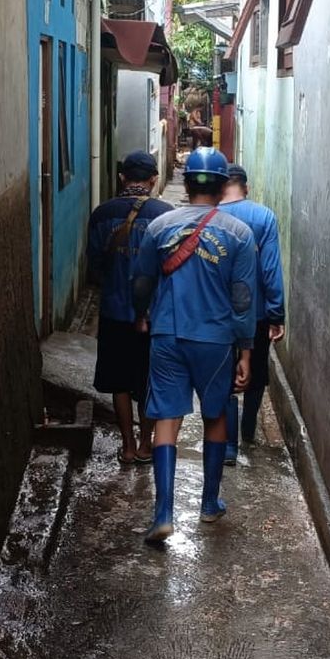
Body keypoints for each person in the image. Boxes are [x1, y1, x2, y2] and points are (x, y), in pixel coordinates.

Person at [131, 148, 258, 542]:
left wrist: (142, 313)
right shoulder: (239, 235)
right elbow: (242, 301)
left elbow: (141, 282)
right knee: (215, 416)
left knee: (167, 419)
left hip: (168, 334)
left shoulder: (160, 227)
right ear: (222, 188)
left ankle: (164, 512)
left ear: (186, 184)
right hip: (215, 341)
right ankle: (208, 504)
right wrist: (246, 351)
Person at [86, 151, 174, 464]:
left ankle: (126, 445)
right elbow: (172, 268)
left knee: (120, 382)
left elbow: (94, 267)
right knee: (150, 379)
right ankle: (145, 444)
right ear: (153, 180)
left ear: (123, 177)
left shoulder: (101, 214)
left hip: (113, 312)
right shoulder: (167, 216)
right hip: (154, 318)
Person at [219, 164, 286, 465]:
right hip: (256, 314)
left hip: (218, 314)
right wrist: (276, 315)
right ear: (245, 187)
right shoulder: (263, 217)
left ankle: (229, 444)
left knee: (224, 372)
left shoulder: (210, 217)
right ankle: (248, 429)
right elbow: (270, 269)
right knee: (256, 372)